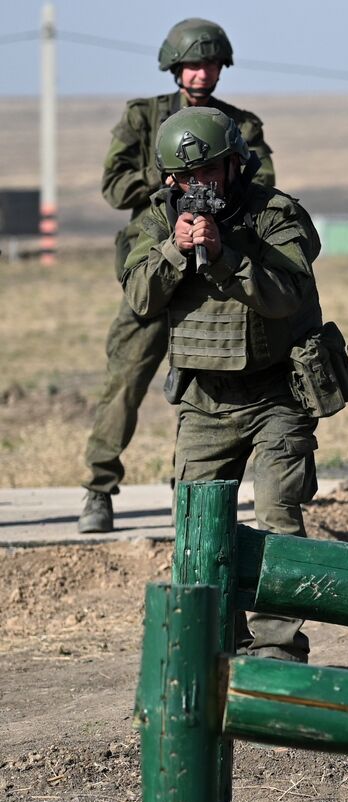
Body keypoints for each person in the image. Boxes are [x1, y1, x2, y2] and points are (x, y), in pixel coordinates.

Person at [123, 107, 321, 662]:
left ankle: (278, 647)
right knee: (199, 525)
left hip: (275, 394)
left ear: (235, 164)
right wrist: (176, 250)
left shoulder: (274, 216)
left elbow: (286, 297)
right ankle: (217, 642)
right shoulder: (159, 221)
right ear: (170, 179)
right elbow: (140, 298)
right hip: (203, 401)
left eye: (209, 171)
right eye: (187, 177)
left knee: (278, 513)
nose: (199, 185)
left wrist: (226, 256)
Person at [79, 18, 274, 533]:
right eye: (192, 63)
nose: (202, 72)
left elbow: (262, 190)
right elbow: (115, 189)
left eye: (210, 63)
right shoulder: (144, 118)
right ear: (174, 67)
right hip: (161, 259)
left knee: (213, 380)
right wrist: (173, 174)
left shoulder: (242, 127)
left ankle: (189, 486)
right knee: (126, 377)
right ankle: (99, 488)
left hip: (215, 276)